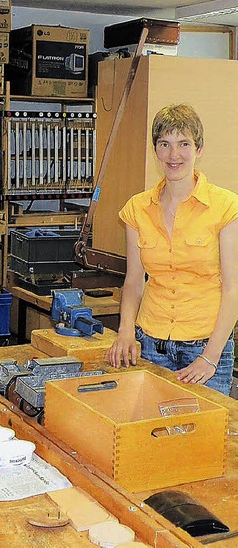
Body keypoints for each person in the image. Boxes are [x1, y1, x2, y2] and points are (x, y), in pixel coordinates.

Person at [108, 104, 238, 396]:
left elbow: (233, 289)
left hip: (204, 347)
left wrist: (210, 357)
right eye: (165, 144)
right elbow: (133, 281)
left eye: (184, 144)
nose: (174, 155)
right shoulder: (137, 208)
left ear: (199, 149)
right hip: (150, 343)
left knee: (202, 437)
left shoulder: (226, 207)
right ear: (156, 150)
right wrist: (126, 330)